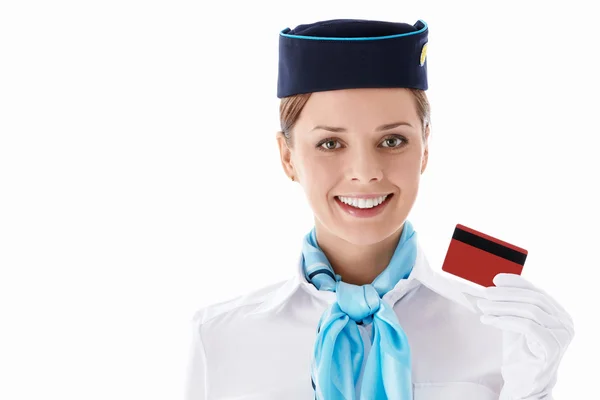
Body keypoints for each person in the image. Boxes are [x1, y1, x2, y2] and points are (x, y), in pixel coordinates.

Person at [184, 18, 574, 400]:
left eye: (391, 141)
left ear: (425, 146)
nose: (366, 173)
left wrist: (533, 389)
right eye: (330, 144)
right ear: (287, 157)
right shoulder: (221, 339)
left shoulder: (502, 332)